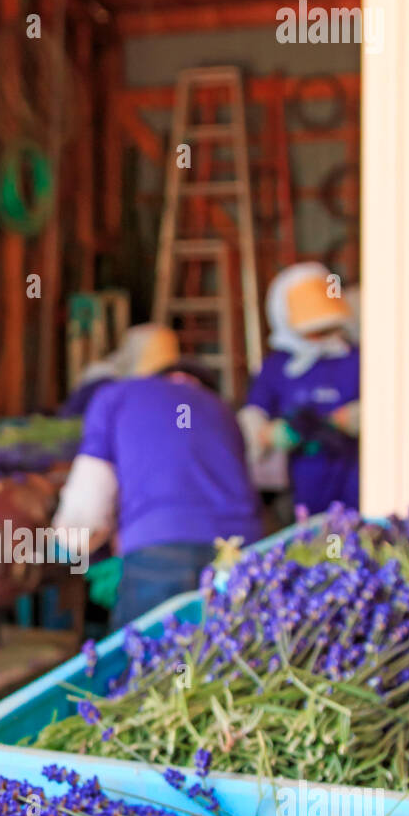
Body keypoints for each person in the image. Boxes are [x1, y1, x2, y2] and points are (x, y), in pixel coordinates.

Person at [54, 323, 263, 627]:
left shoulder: (116, 397)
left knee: (150, 666)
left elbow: (90, 497)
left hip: (159, 553)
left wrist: (69, 545)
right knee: (229, 663)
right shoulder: (221, 407)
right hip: (241, 555)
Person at [239, 262, 360, 515]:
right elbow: (253, 416)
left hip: (357, 481)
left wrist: (357, 418)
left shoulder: (356, 360)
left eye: (324, 328)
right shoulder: (276, 367)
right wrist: (268, 434)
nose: (318, 335)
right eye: (311, 330)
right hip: (306, 485)